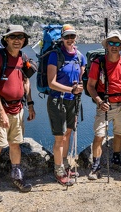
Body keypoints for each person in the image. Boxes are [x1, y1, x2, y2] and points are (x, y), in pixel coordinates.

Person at [0, 25, 36, 204]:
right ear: (6, 39)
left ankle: (16, 175)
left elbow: (26, 80)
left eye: (20, 37)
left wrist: (29, 103)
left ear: (24, 40)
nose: (17, 40)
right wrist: (1, 112)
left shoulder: (23, 57)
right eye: (13, 36)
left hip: (18, 109)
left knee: (15, 144)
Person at [87, 30, 121, 180]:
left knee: (119, 133)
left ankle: (116, 159)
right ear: (107, 45)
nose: (114, 46)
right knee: (99, 136)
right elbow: (90, 86)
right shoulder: (99, 63)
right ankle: (96, 166)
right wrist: (99, 101)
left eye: (117, 43)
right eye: (111, 43)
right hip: (105, 105)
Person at [47, 24, 86, 186]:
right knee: (59, 137)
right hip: (58, 100)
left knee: (68, 134)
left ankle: (64, 164)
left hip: (72, 101)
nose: (70, 39)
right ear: (62, 38)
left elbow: (81, 78)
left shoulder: (80, 56)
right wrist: (72, 89)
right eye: (67, 36)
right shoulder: (55, 55)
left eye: (72, 36)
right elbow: (51, 83)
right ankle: (58, 170)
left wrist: (78, 89)